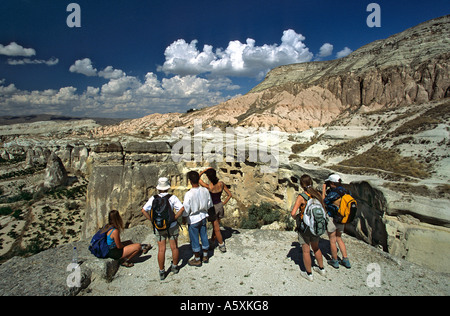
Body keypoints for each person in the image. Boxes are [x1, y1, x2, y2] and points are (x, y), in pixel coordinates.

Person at [141, 177, 185, 280]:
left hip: (159, 226)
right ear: (168, 187)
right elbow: (182, 208)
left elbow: (143, 210)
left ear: (158, 188)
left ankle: (162, 271)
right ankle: (174, 267)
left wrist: (152, 220)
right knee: (174, 247)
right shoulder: (172, 198)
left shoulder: (153, 198)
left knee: (161, 249)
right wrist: (174, 218)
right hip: (172, 225)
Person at [291, 174, 326, 281]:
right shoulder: (317, 195)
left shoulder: (302, 197)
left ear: (302, 185)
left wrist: (297, 217)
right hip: (316, 226)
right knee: (316, 248)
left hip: (305, 228)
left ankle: (309, 274)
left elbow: (293, 213)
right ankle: (321, 269)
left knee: (306, 251)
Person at [183, 170, 213, 267]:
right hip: (203, 216)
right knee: (204, 235)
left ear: (190, 181)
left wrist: (184, 218)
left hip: (193, 219)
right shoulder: (205, 190)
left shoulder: (189, 194)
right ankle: (205, 256)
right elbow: (209, 204)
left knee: (195, 238)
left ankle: (197, 259)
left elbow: (186, 209)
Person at [199, 167, 232, 253]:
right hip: (220, 206)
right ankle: (213, 241)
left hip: (212, 208)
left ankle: (221, 245)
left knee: (216, 228)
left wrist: (203, 171)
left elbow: (197, 179)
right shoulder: (221, 184)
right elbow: (229, 195)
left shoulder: (209, 186)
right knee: (216, 226)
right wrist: (223, 203)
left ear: (209, 177)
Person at [323, 174, 351, 269]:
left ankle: (334, 260)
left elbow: (324, 201)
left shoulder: (333, 193)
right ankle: (345, 259)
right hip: (342, 218)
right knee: (339, 238)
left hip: (332, 218)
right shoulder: (346, 191)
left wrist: (323, 190)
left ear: (331, 183)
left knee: (332, 240)